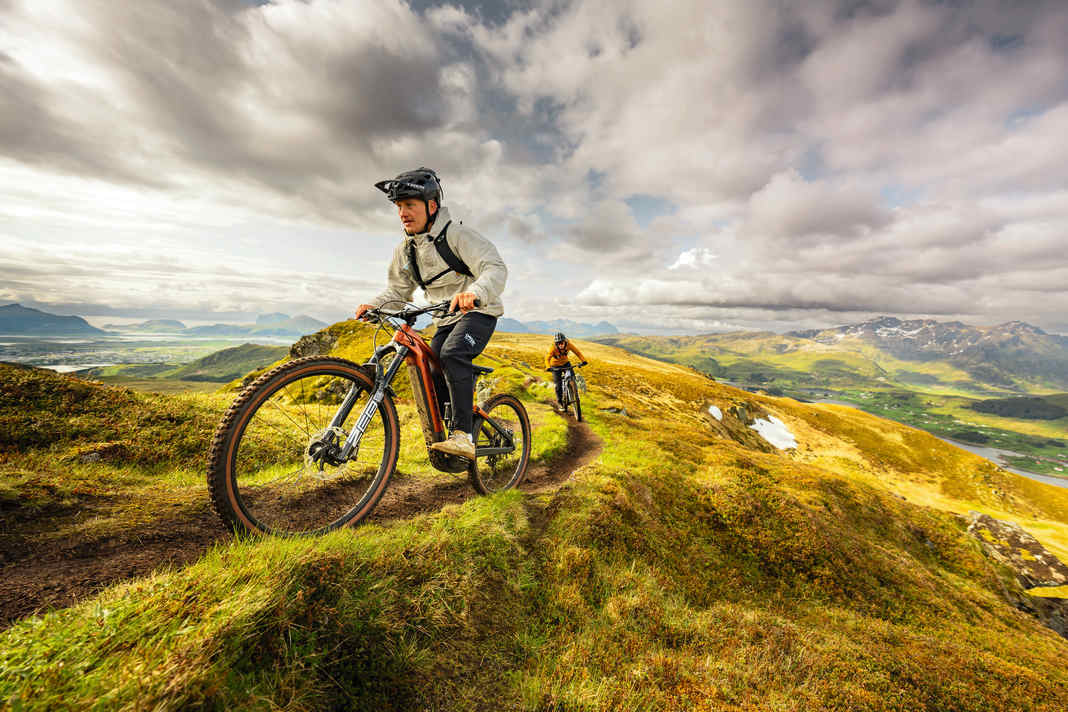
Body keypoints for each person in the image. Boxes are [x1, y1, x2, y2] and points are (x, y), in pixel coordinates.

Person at [355, 167, 507, 460]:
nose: (403, 213)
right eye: (399, 207)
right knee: (431, 366)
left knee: (452, 354)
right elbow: (398, 292)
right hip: (444, 318)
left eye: (409, 205)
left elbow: (494, 268)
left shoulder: (458, 236)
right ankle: (450, 430)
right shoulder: (406, 251)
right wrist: (376, 305)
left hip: (478, 312)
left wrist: (474, 293)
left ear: (432, 206)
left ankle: (463, 437)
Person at [545, 332, 588, 408]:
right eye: (558, 343)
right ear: (556, 344)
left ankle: (573, 390)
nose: (561, 345)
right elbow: (547, 358)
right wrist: (548, 367)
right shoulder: (553, 348)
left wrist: (583, 360)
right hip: (555, 366)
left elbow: (577, 352)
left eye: (562, 343)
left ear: (565, 342)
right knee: (558, 385)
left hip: (566, 363)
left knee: (572, 377)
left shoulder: (569, 345)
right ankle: (560, 402)